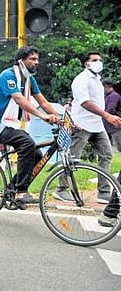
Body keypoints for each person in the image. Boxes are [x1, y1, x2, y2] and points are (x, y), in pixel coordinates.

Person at [0, 45, 60, 207]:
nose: (36, 62)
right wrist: (43, 117)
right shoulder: (8, 76)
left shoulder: (29, 79)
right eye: (32, 59)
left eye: (37, 59)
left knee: (37, 156)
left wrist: (62, 119)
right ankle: (20, 192)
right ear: (21, 61)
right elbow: (19, 99)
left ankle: (10, 190)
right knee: (27, 144)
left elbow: (43, 101)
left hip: (12, 124)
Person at [54, 51, 121, 206]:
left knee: (106, 155)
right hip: (81, 125)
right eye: (95, 60)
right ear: (86, 64)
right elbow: (84, 102)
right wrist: (107, 116)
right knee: (71, 159)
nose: (99, 62)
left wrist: (104, 117)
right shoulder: (81, 80)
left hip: (97, 125)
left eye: (100, 60)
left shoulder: (97, 80)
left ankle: (103, 192)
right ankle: (61, 188)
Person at [102, 79, 121, 151]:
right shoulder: (108, 96)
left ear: (106, 86)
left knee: (119, 146)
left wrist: (101, 114)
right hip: (110, 126)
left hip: (115, 126)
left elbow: (111, 110)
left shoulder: (113, 96)